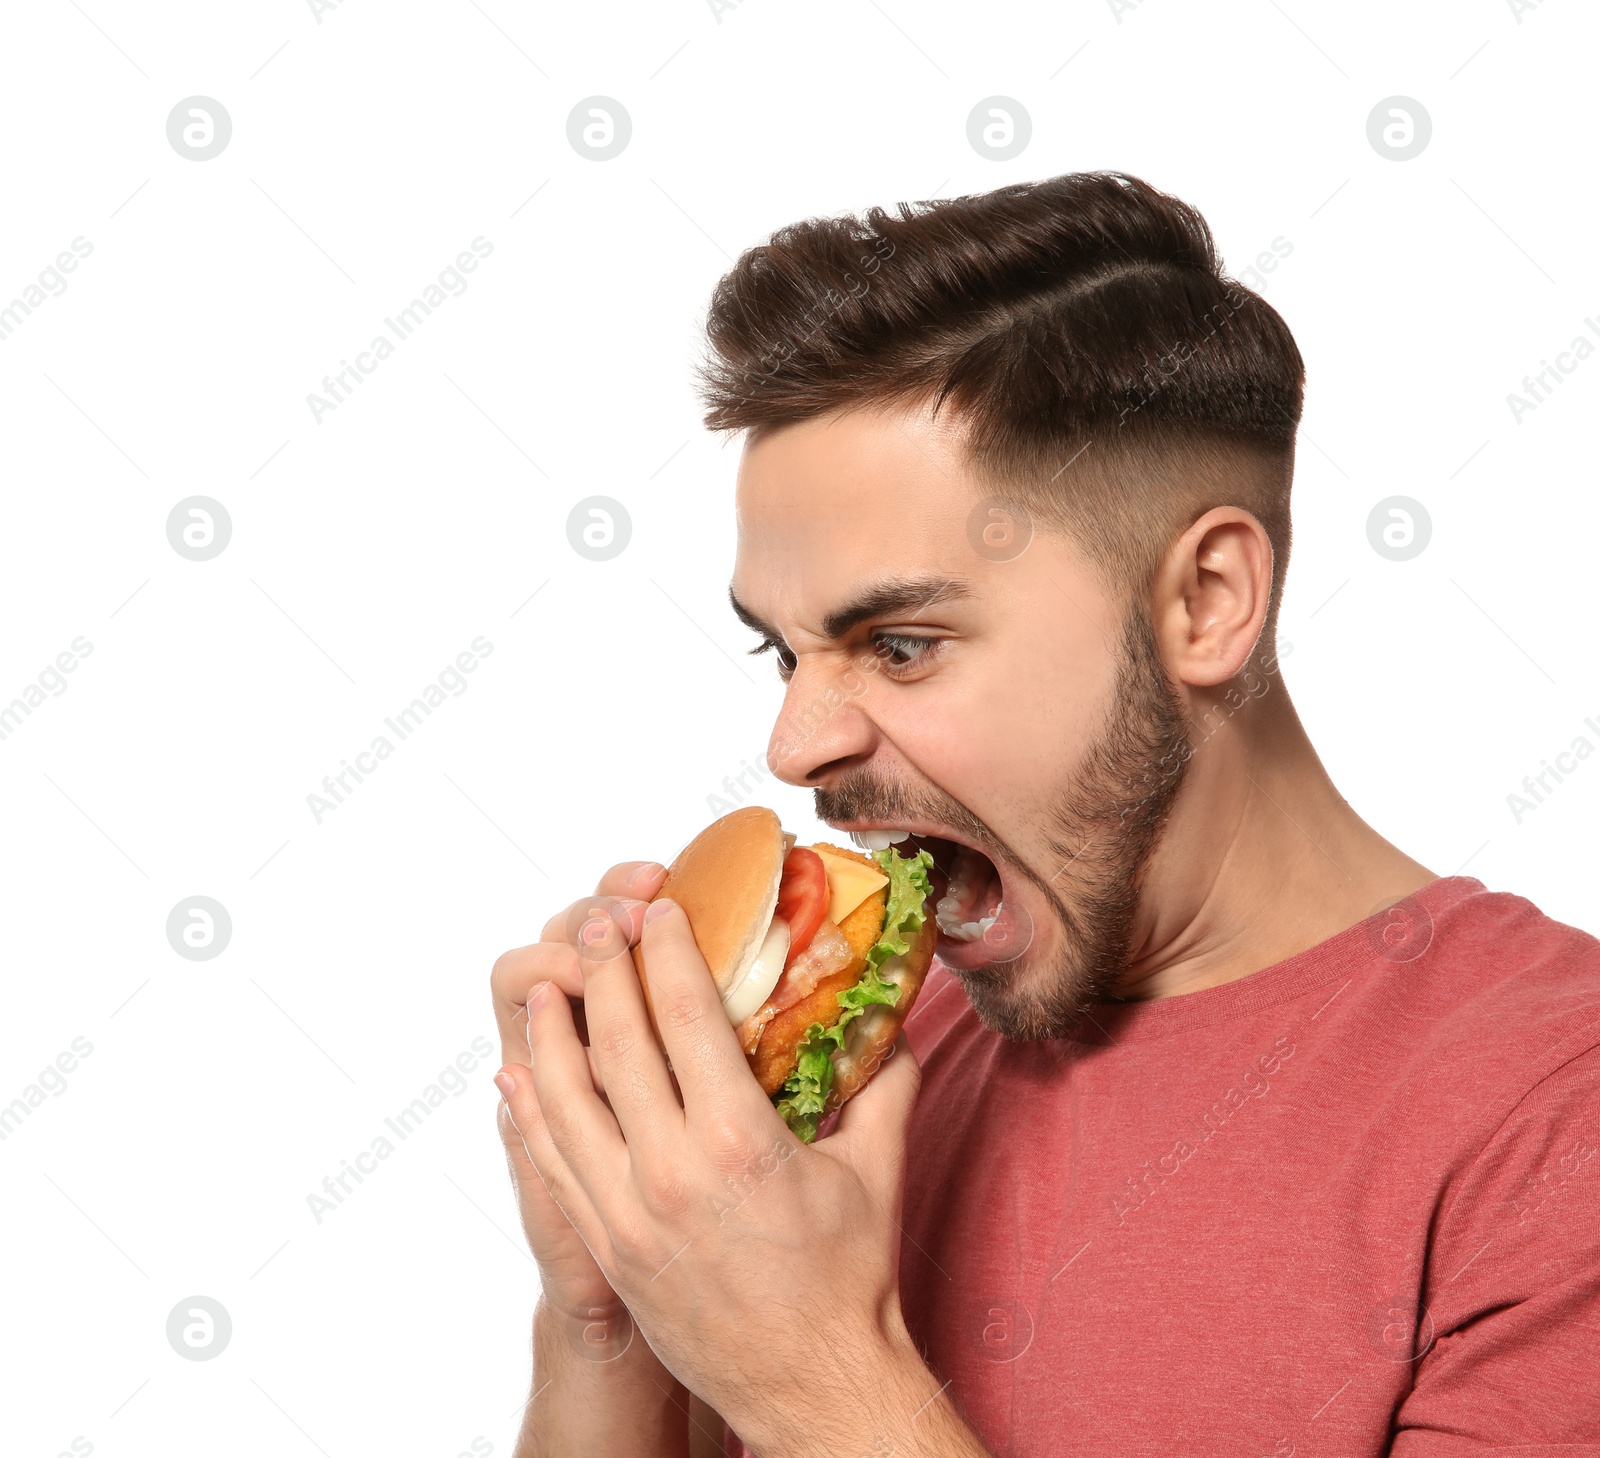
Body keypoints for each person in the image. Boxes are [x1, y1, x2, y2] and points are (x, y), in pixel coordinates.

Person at [488, 172, 1600, 1457]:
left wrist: (816, 1379)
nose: (794, 748)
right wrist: (613, 1308)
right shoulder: (852, 1083)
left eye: (898, 645)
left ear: (1205, 601)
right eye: (780, 656)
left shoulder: (1549, 1117)